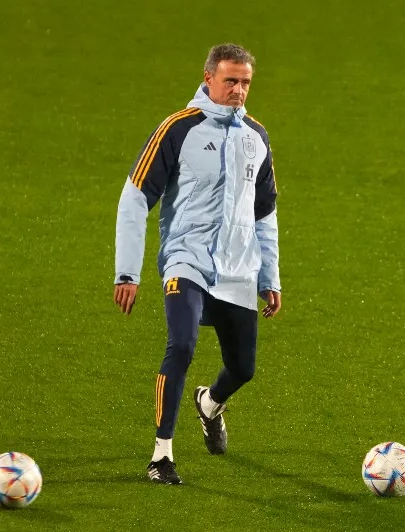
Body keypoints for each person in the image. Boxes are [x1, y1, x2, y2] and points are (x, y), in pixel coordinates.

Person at [113, 43, 282, 485]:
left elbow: (264, 213)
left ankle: (209, 404)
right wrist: (127, 272)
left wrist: (270, 277)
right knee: (182, 345)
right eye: (230, 81)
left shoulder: (256, 137)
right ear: (208, 78)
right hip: (186, 259)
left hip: (238, 268)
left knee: (243, 368)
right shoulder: (178, 128)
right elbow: (135, 198)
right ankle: (162, 455)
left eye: (245, 82)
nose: (238, 90)